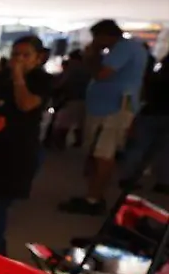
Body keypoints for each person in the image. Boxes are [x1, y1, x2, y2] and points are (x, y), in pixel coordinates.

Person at [0, 37, 52, 255]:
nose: (19, 60)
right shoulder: (1, 78)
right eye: (15, 54)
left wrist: (18, 78)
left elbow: (26, 104)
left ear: (38, 58)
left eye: (25, 55)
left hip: (18, 154)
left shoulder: (41, 80)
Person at [60, 20, 150, 215]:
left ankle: (94, 198)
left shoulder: (124, 48)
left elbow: (102, 74)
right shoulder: (130, 48)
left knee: (103, 154)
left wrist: (92, 55)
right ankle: (92, 194)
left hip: (113, 110)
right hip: (107, 107)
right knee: (98, 153)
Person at [120, 52, 169, 191]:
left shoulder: (154, 78)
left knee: (138, 147)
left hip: (149, 113)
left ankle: (129, 177)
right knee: (164, 151)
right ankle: (163, 182)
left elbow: (143, 96)